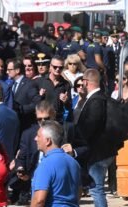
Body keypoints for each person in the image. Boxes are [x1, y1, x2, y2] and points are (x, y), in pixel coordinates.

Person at [66, 69, 119, 207]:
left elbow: (90, 127)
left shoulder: (96, 100)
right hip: (102, 151)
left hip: (98, 153)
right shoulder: (102, 98)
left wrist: (76, 143)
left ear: (85, 82)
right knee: (96, 188)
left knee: (96, 189)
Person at [31, 120, 81, 207]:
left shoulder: (45, 165)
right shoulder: (74, 162)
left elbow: (39, 201)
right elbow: (78, 192)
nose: (35, 139)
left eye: (38, 136)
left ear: (48, 141)